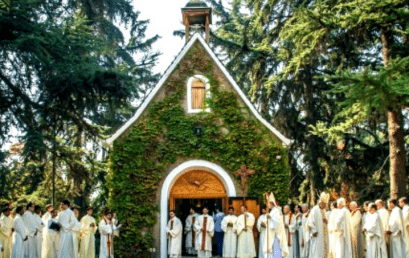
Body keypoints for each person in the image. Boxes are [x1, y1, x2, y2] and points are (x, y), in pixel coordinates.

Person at [305, 192, 329, 258]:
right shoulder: (315, 210)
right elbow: (310, 222)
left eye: (326, 205)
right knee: (316, 252)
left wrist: (327, 221)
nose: (325, 206)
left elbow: (326, 221)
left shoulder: (324, 211)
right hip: (317, 235)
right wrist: (314, 231)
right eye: (324, 204)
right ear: (320, 203)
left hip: (323, 235)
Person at [268, 193, 289, 257]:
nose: (268, 205)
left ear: (272, 204)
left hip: (276, 233)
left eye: (269, 203)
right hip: (272, 233)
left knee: (276, 248)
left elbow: (277, 221)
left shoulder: (277, 210)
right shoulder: (272, 211)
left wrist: (270, 217)